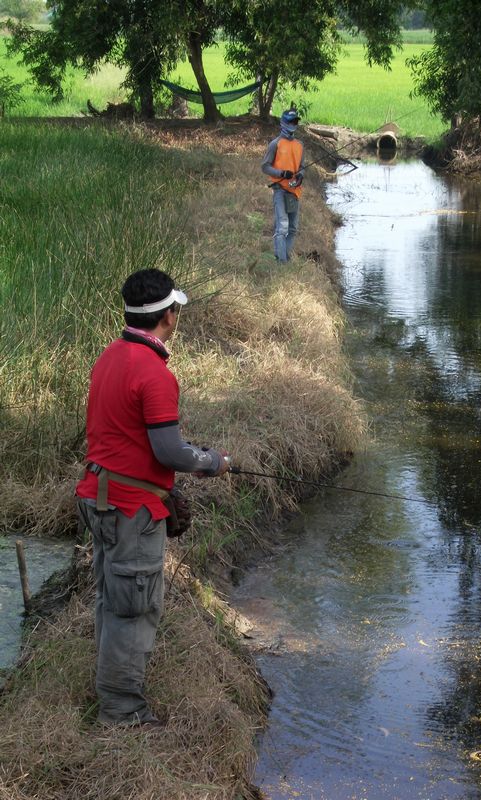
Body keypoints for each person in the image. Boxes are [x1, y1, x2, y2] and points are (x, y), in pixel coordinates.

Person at [76, 268, 230, 727]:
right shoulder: (155, 373)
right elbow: (168, 450)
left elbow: (133, 439)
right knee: (133, 607)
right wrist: (211, 461)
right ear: (169, 317)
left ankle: (110, 690)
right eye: (177, 310)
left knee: (112, 597)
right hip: (130, 510)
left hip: (97, 497)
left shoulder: (109, 356)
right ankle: (122, 711)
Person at [261, 108, 305, 262]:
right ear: (283, 123)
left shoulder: (299, 145)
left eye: (296, 122)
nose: (294, 124)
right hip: (280, 190)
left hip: (295, 191)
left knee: (292, 229)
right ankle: (282, 263)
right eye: (291, 122)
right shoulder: (275, 144)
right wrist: (281, 173)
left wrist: (300, 175)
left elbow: (302, 166)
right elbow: (265, 166)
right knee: (282, 228)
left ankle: (283, 257)